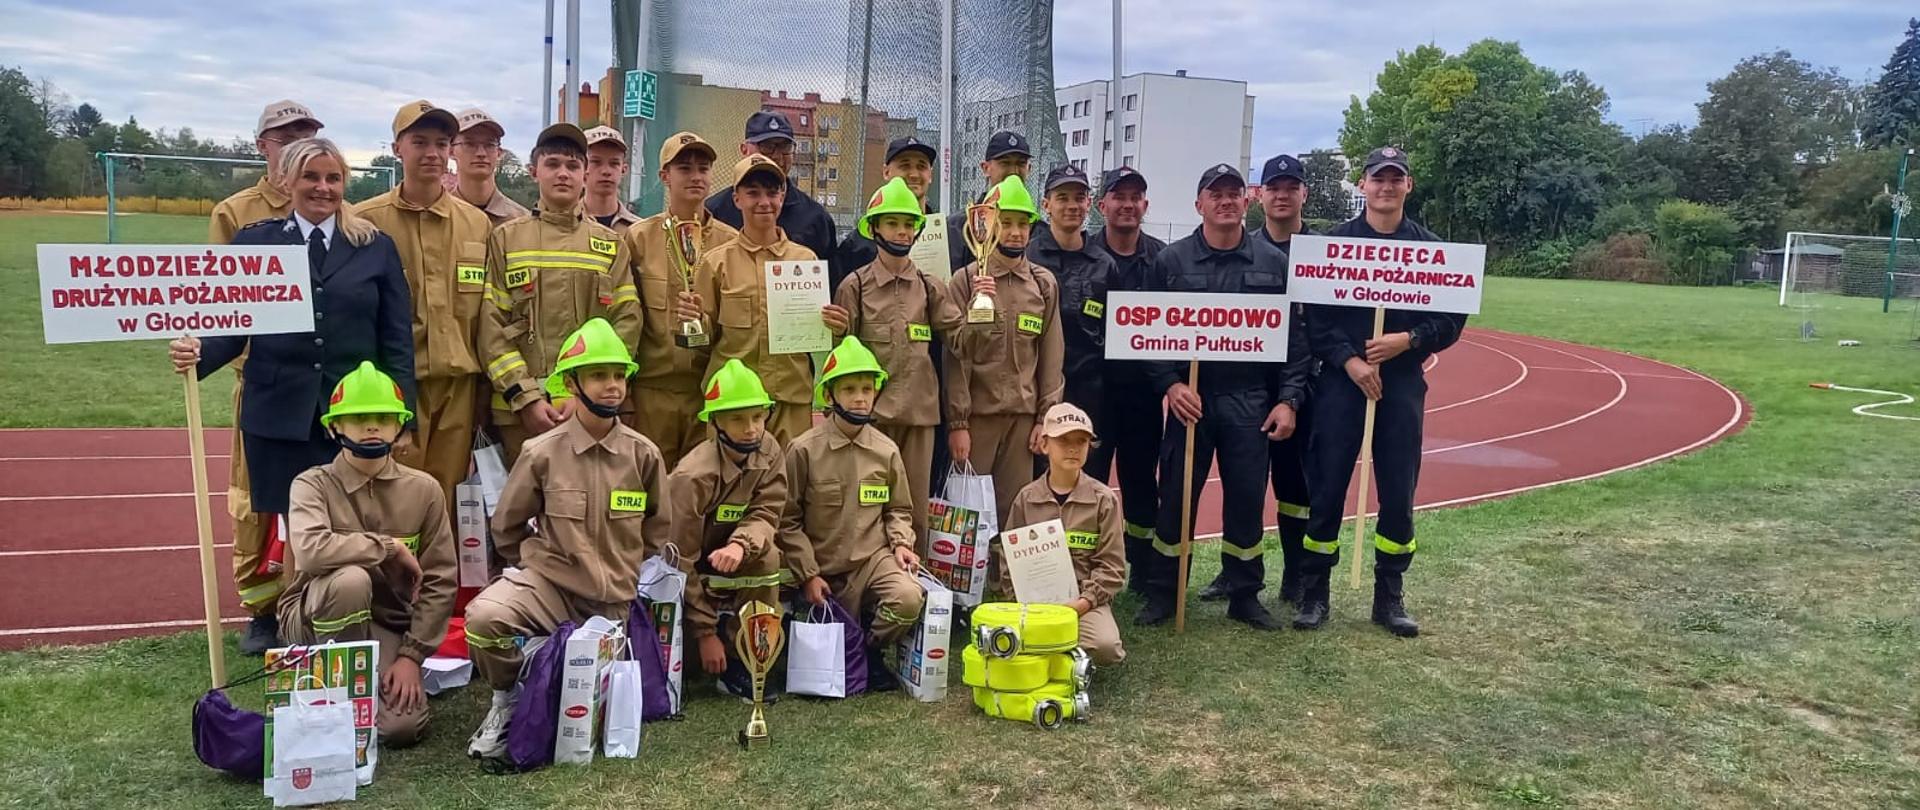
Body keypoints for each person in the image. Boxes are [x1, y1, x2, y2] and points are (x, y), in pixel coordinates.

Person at [170, 139, 418, 640]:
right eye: (311, 177)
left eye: (332, 178)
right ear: (287, 182)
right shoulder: (254, 243)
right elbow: (230, 328)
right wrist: (197, 357)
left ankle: (355, 623)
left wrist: (401, 415)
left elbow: (396, 339)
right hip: (278, 411)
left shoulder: (375, 247)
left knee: (352, 524)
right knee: (295, 529)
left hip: (351, 413)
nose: (322, 188)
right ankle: (292, 626)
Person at [463, 318, 670, 759]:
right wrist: (540, 563)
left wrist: (623, 570)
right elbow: (507, 528)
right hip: (550, 588)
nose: (612, 386)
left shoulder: (644, 455)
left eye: (618, 375)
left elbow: (656, 530)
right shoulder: (540, 452)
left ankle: (544, 656)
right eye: (598, 375)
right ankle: (506, 699)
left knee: (581, 710)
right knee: (483, 619)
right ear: (572, 384)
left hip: (612, 601)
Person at [1296, 147, 1466, 637]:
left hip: (1403, 382)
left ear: (1408, 186)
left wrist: (1407, 341)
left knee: (1398, 489)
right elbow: (1315, 318)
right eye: (1378, 178)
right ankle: (1315, 592)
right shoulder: (1334, 246)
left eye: (1396, 179)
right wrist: (1350, 360)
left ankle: (1389, 595)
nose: (1386, 187)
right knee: (1326, 486)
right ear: (1363, 185)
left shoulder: (1432, 251)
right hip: (1340, 382)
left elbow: (1451, 320)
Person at [1135, 164, 1310, 631]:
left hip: (1249, 400)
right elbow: (1146, 333)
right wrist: (1170, 385)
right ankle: (1164, 595)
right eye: (1215, 194)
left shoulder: (1273, 265)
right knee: (1174, 500)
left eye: (1234, 193)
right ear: (1199, 204)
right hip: (1191, 402)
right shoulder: (1170, 262)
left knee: (1247, 502)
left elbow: (1295, 341)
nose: (1225, 201)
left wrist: (1288, 399)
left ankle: (1244, 593)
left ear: (1246, 201)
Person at [280, 362, 454, 746]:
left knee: (400, 729)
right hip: (315, 618)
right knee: (351, 580)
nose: (372, 428)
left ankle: (372, 686)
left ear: (399, 427)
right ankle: (330, 690)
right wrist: (387, 547)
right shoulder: (311, 484)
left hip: (388, 624)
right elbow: (308, 552)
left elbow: (441, 580)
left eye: (383, 418)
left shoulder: (424, 490)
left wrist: (412, 656)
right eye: (358, 418)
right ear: (334, 427)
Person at [207, 98, 325, 651]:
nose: (294, 141)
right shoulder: (237, 212)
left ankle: (313, 598)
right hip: (263, 380)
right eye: (284, 136)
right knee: (254, 498)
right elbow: (221, 304)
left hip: (322, 382)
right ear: (263, 146)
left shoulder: (332, 202)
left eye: (305, 132)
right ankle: (260, 606)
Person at [830, 177, 990, 543]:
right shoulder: (854, 286)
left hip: (920, 416)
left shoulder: (931, 286)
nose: (902, 232)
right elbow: (841, 356)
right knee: (866, 503)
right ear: (873, 228)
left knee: (915, 506)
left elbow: (961, 344)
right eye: (892, 223)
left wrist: (982, 312)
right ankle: (863, 577)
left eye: (908, 224)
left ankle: (913, 580)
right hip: (871, 418)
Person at [356, 101, 493, 509]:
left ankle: (438, 574)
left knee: (448, 496)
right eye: (419, 142)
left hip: (459, 386)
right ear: (398, 148)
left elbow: (485, 313)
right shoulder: (365, 222)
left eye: (441, 143)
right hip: (394, 386)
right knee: (393, 495)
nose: (432, 153)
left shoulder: (476, 224)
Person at [478, 123, 641, 463]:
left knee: (583, 507)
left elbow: (627, 321)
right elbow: (491, 326)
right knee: (520, 509)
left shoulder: (610, 246)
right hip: (519, 414)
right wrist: (527, 397)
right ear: (534, 171)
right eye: (552, 164)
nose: (563, 174)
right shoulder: (506, 239)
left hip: (590, 411)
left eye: (573, 165)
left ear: (585, 174)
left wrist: (588, 394)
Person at [1198, 153, 1316, 608]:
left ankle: (1299, 575)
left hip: (1299, 387)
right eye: (1274, 187)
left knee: (1295, 485)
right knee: (1246, 487)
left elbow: (1307, 332)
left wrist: (1292, 394)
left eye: (1291, 187)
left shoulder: (1325, 253)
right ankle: (1235, 574)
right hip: (1247, 393)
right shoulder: (1242, 246)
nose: (1282, 195)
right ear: (1261, 195)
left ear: (1304, 193)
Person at [777, 337, 923, 684]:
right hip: (822, 567)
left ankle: (867, 650)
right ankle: (840, 643)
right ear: (829, 396)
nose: (860, 397)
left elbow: (898, 509)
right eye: (849, 389)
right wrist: (808, 574)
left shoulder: (886, 450)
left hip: (871, 562)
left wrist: (901, 543)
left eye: (867, 389)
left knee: (907, 599)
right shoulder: (803, 450)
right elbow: (787, 521)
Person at [663, 359, 791, 697]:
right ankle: (706, 636)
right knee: (691, 666)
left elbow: (768, 511)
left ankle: (746, 659)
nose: (751, 428)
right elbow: (678, 561)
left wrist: (740, 544)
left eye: (757, 416)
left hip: (735, 557)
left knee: (769, 558)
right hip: (688, 575)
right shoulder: (692, 477)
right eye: (737, 418)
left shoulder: (770, 450)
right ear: (715, 421)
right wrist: (705, 634)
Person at [693, 154, 840, 445]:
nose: (764, 202)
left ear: (782, 197)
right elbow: (701, 345)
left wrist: (836, 326)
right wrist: (695, 323)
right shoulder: (716, 263)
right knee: (733, 486)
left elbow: (820, 339)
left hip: (790, 399)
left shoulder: (805, 260)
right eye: (753, 193)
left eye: (772, 193)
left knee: (789, 484)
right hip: (735, 403)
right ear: (736, 199)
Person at [944, 176, 1064, 530]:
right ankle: (971, 581)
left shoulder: (1043, 284)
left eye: (1022, 223)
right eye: (1006, 222)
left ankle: (1006, 577)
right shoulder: (966, 280)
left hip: (1023, 418)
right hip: (978, 417)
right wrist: (958, 423)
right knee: (971, 511)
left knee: (1016, 506)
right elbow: (956, 357)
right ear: (987, 224)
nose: (1015, 232)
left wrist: (1045, 417)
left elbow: (1051, 356)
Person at [622, 131, 739, 468]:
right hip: (652, 393)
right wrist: (627, 394)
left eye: (703, 168)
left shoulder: (729, 242)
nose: (696, 176)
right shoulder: (639, 238)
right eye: (685, 168)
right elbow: (628, 317)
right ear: (664, 177)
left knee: (699, 491)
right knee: (650, 488)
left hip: (706, 392)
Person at [1085, 166, 1165, 594]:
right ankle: (1088, 570)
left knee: (1139, 482)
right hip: (1092, 393)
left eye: (1136, 197)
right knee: (1090, 481)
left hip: (1142, 393)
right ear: (1103, 206)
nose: (1128, 204)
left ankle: (1145, 571)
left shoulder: (1162, 259)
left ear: (1145, 206)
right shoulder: (1085, 253)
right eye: (1119, 196)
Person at [1001, 403, 1126, 665]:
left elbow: (1112, 567)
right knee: (1003, 644)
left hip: (1082, 602)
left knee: (1106, 647)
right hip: (1032, 605)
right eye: (1063, 440)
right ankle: (1054, 646)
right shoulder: (1026, 499)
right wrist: (1021, 603)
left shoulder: (1103, 499)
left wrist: (1083, 603)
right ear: (1044, 445)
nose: (1072, 448)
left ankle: (1055, 647)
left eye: (1081, 441)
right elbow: (1008, 560)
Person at [1027, 164, 1116, 479]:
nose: (1072, 205)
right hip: (1038, 391)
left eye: (1079, 197)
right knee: (1039, 480)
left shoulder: (1105, 265)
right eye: (1062, 197)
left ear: (1089, 204)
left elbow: (1113, 335)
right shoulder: (1028, 258)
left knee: (1086, 480)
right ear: (1046, 204)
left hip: (1090, 392)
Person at [705, 110, 837, 262]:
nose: (776, 155)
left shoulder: (816, 218)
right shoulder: (715, 212)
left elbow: (830, 279)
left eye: (785, 147)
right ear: (744, 149)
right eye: (766, 146)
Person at [830, 135, 938, 291]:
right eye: (904, 166)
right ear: (886, 172)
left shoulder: (946, 236)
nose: (914, 174)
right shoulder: (858, 245)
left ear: (930, 176)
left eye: (921, 167)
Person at [946, 130, 1032, 273]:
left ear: (1029, 169)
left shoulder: (1039, 229)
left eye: (1020, 164)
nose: (1014, 172)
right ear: (986, 168)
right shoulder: (958, 227)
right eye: (1005, 163)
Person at [450, 107, 531, 227]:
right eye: (470, 144)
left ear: (499, 152)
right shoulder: (438, 217)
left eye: (489, 145)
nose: (481, 153)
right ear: (450, 151)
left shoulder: (521, 222)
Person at [582, 126, 643, 231]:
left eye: (614, 163)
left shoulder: (638, 231)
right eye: (596, 162)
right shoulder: (564, 224)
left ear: (623, 170)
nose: (606, 171)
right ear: (582, 167)